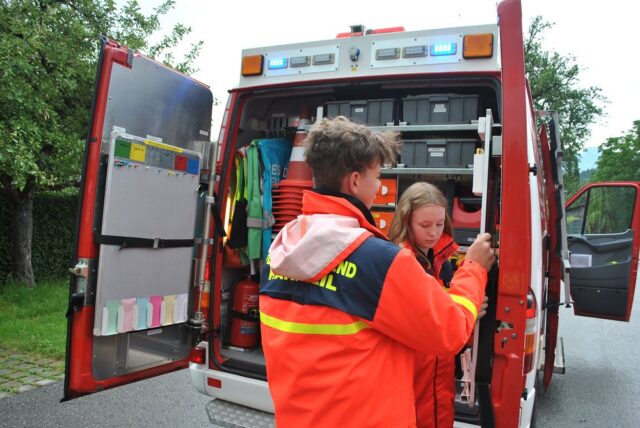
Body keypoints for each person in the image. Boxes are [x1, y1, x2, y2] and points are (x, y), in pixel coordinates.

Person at [259, 116, 495, 427]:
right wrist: (475, 268)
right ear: (355, 182)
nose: (380, 185)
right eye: (377, 175)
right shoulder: (380, 261)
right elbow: (449, 331)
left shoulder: (280, 249)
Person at [388, 182, 488, 427]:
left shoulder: (441, 261)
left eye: (440, 224)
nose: (433, 232)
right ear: (406, 221)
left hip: (434, 383)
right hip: (416, 386)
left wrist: (465, 310)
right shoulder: (401, 263)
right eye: (425, 225)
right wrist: (465, 314)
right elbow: (434, 330)